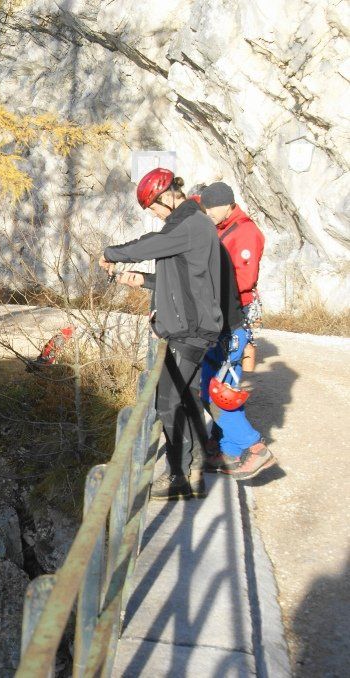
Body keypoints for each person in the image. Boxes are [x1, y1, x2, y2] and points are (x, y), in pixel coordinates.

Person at [100, 168, 224, 501]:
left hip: (189, 331)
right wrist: (143, 280)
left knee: (168, 402)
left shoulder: (190, 224)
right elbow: (185, 277)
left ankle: (179, 477)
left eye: (153, 206)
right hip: (194, 328)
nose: (153, 213)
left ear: (167, 195)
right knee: (188, 397)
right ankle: (196, 469)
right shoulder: (188, 226)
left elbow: (151, 245)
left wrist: (111, 253)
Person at [197, 182, 274, 479]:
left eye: (212, 208)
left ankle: (254, 447)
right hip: (220, 319)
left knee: (219, 391)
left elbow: (243, 279)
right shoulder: (224, 228)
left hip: (232, 320)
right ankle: (227, 451)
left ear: (228, 204)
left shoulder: (245, 232)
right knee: (214, 385)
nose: (209, 213)